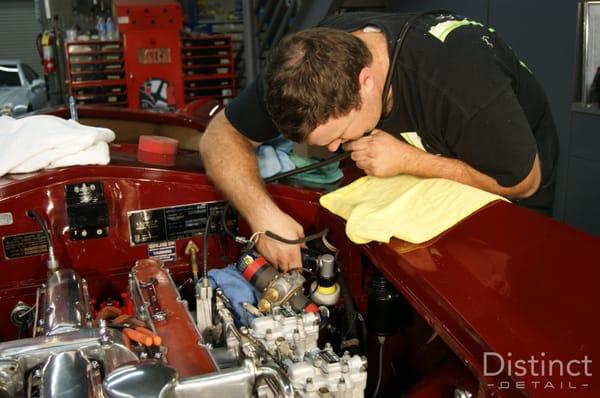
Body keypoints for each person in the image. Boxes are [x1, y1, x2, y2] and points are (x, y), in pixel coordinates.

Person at [199, 11, 559, 271]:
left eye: (340, 135)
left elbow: (523, 183)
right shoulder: (303, 66)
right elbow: (219, 136)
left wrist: (410, 161)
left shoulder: (460, 85)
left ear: (365, 83)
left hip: (508, 166)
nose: (334, 149)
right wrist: (263, 215)